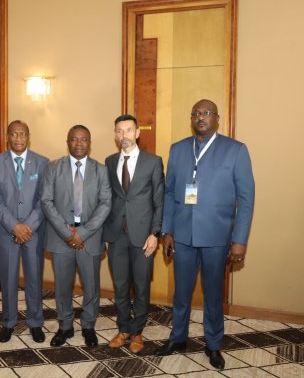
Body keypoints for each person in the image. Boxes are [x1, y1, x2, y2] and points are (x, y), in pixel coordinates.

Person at [155, 99, 255, 370]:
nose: (201, 117)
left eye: (207, 113)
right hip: (183, 236)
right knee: (181, 293)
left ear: (217, 118)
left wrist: (239, 240)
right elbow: (169, 192)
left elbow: (246, 199)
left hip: (217, 238)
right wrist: (167, 230)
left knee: (212, 295)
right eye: (196, 113)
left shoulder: (235, 150)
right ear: (191, 118)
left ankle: (213, 344)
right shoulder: (178, 149)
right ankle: (178, 339)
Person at [40, 124, 111, 348]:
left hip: (90, 237)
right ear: (67, 142)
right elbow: (46, 201)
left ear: (90, 143)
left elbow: (105, 203)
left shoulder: (101, 170)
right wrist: (66, 232)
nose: (79, 143)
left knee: (91, 286)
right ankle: (65, 326)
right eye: (74, 139)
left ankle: (88, 326)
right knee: (62, 286)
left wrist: (83, 232)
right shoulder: (53, 167)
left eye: (83, 139)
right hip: (61, 237)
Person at [103, 114, 164, 354]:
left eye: (128, 130)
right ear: (115, 135)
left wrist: (155, 233)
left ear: (137, 133)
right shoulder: (109, 162)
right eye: (119, 131)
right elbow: (108, 200)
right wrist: (106, 234)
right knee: (120, 287)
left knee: (141, 287)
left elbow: (159, 202)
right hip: (116, 236)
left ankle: (137, 332)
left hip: (143, 237)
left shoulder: (153, 162)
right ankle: (123, 329)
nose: (124, 135)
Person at [0, 120, 49, 343]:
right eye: (14, 134)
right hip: (7, 231)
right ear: (7, 136)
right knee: (8, 279)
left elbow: (44, 199)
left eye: (22, 134)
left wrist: (28, 225)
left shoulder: (42, 162)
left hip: (34, 231)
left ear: (28, 137)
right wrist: (14, 226)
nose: (18, 138)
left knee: (34, 278)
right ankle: (8, 322)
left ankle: (35, 322)